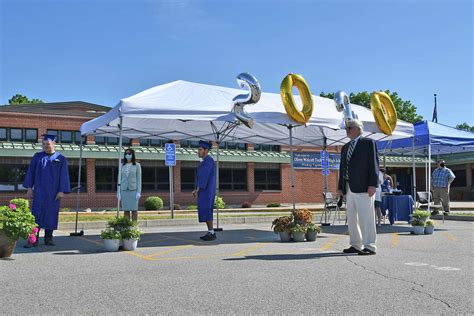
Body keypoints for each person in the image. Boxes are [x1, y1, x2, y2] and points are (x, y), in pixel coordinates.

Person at [337, 120, 379, 255]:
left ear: (359, 129)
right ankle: (355, 244)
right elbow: (342, 168)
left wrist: (373, 184)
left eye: (349, 128)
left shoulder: (368, 143)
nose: (347, 130)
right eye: (346, 128)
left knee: (366, 217)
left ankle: (370, 246)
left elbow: (374, 164)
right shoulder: (345, 147)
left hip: (364, 186)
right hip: (349, 187)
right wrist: (340, 187)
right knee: (352, 218)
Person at [23, 134, 71, 247]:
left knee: (51, 214)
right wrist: (29, 188)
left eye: (48, 144)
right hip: (39, 192)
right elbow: (31, 172)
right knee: (36, 215)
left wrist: (61, 191)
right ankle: (33, 240)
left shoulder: (61, 159)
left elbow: (64, 176)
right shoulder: (37, 157)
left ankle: (48, 238)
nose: (45, 146)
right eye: (43, 144)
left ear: (54, 144)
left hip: (53, 193)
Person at [192, 140, 216, 241]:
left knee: (206, 209)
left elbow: (203, 177)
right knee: (205, 210)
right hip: (205, 189)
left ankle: (211, 232)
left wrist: (197, 190)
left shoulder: (209, 161)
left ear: (206, 150)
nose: (198, 151)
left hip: (207, 190)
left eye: (200, 149)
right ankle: (210, 231)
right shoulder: (206, 161)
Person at [119, 148, 142, 222]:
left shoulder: (137, 165)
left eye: (129, 154)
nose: (127, 155)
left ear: (133, 155)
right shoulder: (121, 165)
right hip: (124, 190)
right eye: (126, 154)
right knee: (126, 210)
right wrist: (118, 192)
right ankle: (127, 227)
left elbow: (139, 179)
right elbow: (119, 179)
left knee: (134, 210)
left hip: (133, 191)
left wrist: (138, 191)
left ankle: (134, 227)